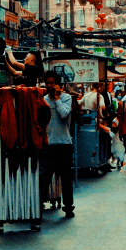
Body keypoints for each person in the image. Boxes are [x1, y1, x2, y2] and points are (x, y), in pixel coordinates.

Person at [40, 71, 75, 217]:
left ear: (58, 85)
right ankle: (38, 206)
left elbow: (64, 114)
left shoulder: (67, 98)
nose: (49, 85)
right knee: (44, 177)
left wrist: (57, 98)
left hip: (64, 144)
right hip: (48, 144)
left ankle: (68, 207)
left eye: (52, 83)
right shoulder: (43, 99)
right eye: (47, 83)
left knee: (65, 177)